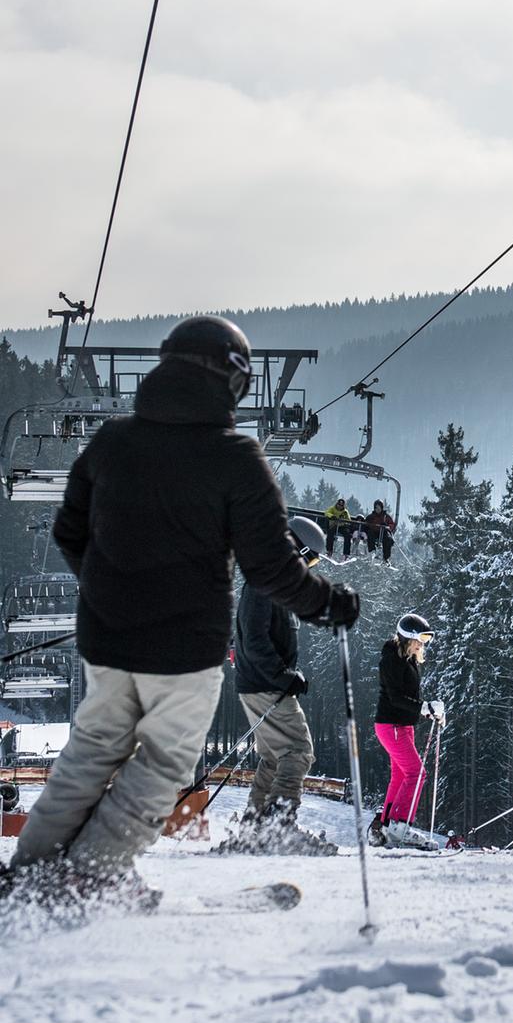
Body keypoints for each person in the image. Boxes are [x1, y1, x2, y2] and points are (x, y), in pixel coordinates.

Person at [1, 317, 359, 908]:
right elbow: (270, 567)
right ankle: (92, 874)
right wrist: (328, 602)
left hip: (109, 638)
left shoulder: (113, 441)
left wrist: (109, 588)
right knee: (163, 763)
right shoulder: (234, 456)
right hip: (183, 646)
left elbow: (69, 530)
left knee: (93, 751)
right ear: (232, 379)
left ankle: (34, 872)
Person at [222, 514, 335, 856]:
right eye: (310, 560)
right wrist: (283, 675)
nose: (308, 568)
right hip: (266, 684)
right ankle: (279, 827)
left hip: (261, 682)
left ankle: (254, 828)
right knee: (298, 750)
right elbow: (254, 638)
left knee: (274, 757)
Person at [370, 612, 444, 851]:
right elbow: (395, 698)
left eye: (426, 639)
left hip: (403, 725)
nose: (423, 644)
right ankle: (400, 826)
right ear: (408, 637)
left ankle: (385, 826)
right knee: (416, 774)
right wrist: (423, 707)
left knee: (401, 776)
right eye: (421, 638)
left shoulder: (408, 658)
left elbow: (409, 698)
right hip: (391, 725)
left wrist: (429, 711)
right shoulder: (391, 659)